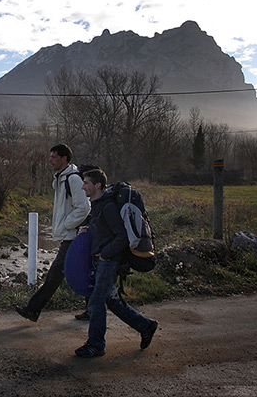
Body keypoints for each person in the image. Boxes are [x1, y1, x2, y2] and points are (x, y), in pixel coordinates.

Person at [74, 168, 158, 358]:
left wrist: (105, 253)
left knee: (96, 302)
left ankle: (96, 344)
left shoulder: (108, 207)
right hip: (104, 259)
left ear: (97, 185)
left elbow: (122, 237)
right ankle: (146, 326)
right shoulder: (97, 205)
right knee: (111, 301)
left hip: (110, 261)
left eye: (86, 183)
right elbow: (105, 231)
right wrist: (87, 230)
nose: (82, 186)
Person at [15, 144, 91, 322]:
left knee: (55, 273)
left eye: (54, 157)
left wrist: (66, 225)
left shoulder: (72, 179)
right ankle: (93, 310)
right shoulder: (61, 178)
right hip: (73, 235)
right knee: (86, 271)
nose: (50, 160)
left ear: (64, 159)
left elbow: (84, 207)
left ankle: (33, 310)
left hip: (74, 236)